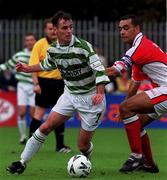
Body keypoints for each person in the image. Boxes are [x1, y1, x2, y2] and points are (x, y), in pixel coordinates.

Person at [6, 11, 110, 175]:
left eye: (71, 27)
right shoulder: (53, 49)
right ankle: (22, 162)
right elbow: (46, 64)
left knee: (82, 145)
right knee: (45, 126)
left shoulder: (83, 47)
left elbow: (99, 70)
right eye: (64, 28)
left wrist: (99, 92)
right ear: (55, 30)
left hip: (91, 98)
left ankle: (86, 161)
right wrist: (27, 68)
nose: (69, 31)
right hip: (69, 95)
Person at [106, 14, 167, 173]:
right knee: (136, 123)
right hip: (163, 90)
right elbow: (135, 82)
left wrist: (89, 71)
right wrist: (125, 108)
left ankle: (136, 156)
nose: (122, 32)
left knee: (128, 110)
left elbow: (115, 70)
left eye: (126, 28)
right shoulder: (141, 48)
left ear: (137, 29)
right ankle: (149, 164)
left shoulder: (138, 48)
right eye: (120, 29)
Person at [28, 18, 71, 153]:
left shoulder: (64, 43)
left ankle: (60, 146)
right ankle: (31, 143)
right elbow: (33, 65)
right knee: (39, 113)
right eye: (50, 29)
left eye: (54, 28)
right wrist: (36, 83)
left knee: (60, 113)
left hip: (60, 83)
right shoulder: (40, 44)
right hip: (44, 83)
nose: (52, 31)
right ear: (45, 30)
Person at [0, 33, 36, 144]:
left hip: (35, 86)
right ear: (25, 42)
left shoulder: (39, 54)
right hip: (22, 86)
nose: (29, 42)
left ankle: (33, 138)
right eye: (27, 40)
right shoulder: (19, 55)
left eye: (31, 40)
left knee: (34, 115)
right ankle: (23, 136)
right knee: (21, 112)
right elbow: (7, 65)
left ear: (35, 41)